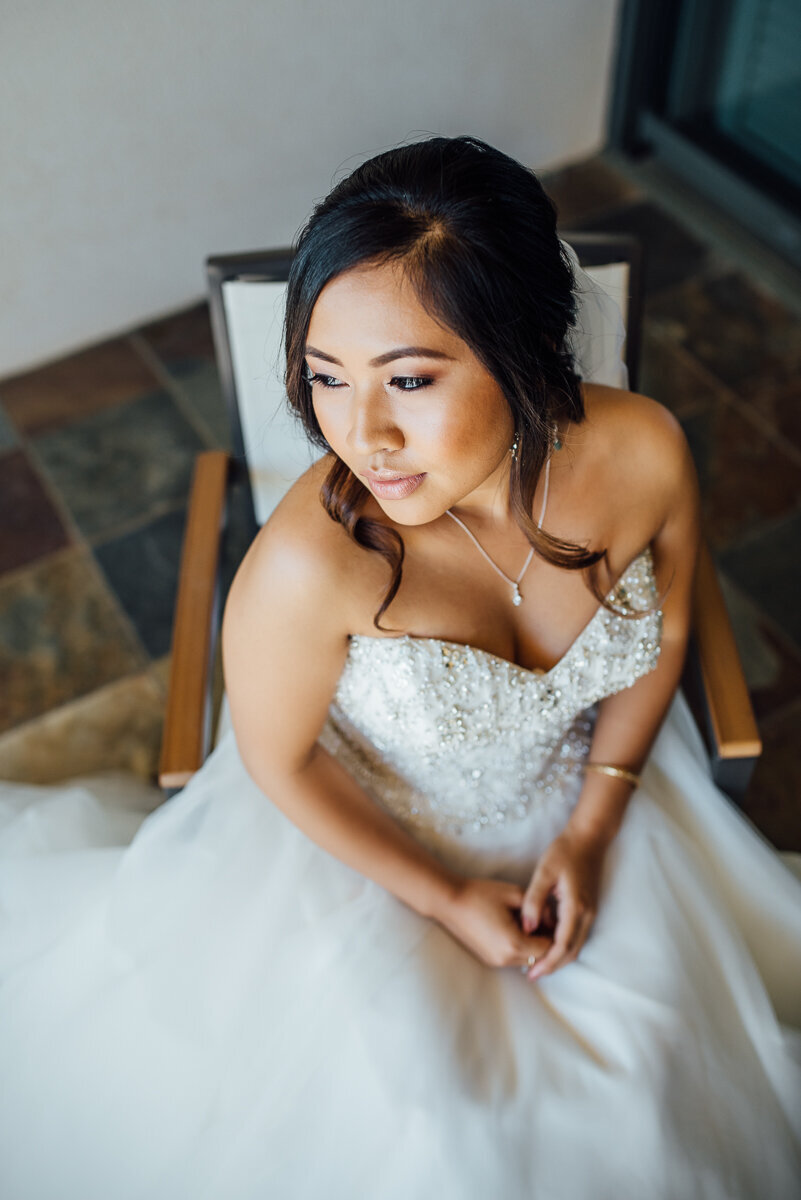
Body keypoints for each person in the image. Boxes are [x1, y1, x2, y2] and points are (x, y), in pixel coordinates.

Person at [0, 135, 799, 1200]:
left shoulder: (644, 451)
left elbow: (666, 630)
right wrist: (441, 896)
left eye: (410, 379)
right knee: (451, 1138)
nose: (360, 434)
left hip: (593, 800)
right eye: (326, 379)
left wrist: (598, 818)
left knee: (665, 1091)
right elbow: (281, 765)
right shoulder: (307, 564)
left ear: (522, 349)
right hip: (364, 852)